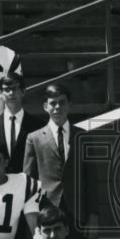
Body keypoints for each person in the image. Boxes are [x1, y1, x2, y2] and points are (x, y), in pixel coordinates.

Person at [22, 82, 80, 213]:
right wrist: (32, 212)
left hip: (78, 210)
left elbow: (90, 178)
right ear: (45, 107)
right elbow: (29, 180)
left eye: (62, 102)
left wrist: (93, 216)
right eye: (53, 103)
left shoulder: (82, 136)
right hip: (46, 208)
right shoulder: (34, 138)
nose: (57, 107)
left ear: (69, 105)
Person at [0, 73, 43, 174]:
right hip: (0, 184)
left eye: (15, 88)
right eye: (7, 89)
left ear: (23, 91)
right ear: (0, 94)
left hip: (28, 184)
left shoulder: (39, 126)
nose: (11, 93)